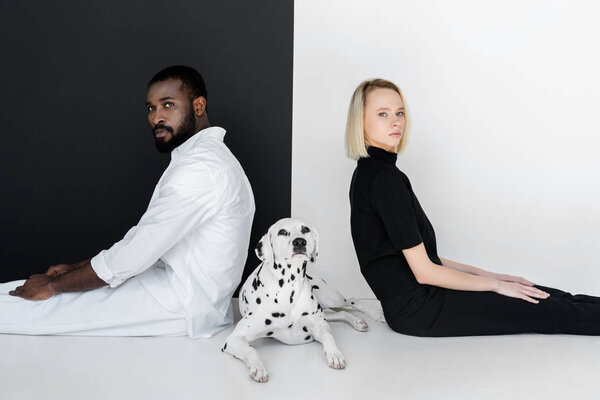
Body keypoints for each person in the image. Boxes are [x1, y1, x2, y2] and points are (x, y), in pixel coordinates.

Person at [0, 65, 255, 338]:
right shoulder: (201, 158)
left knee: (37, 306)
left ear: (198, 105)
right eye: (150, 108)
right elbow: (144, 242)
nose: (157, 117)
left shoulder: (201, 168)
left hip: (182, 305)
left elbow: (136, 253)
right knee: (17, 294)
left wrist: (55, 286)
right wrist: (75, 269)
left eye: (168, 105)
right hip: (174, 289)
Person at [347, 78, 600, 336]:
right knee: (543, 308)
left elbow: (423, 258)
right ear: (361, 121)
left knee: (546, 296)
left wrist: (490, 276)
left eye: (399, 112)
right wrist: (493, 285)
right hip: (420, 310)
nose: (396, 121)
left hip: (420, 302)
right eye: (383, 114)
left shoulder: (375, 172)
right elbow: (424, 273)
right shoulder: (383, 179)